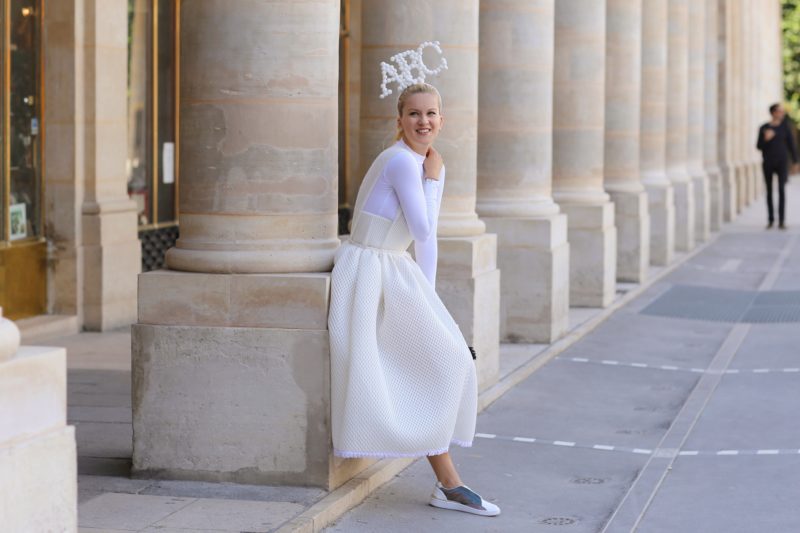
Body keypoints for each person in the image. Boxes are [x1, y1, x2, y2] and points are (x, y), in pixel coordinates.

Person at [328, 82, 500, 517]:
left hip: (391, 270)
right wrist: (436, 180)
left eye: (431, 114)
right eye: (414, 114)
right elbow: (422, 229)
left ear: (442, 120)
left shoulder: (416, 162)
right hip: (370, 270)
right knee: (445, 360)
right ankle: (448, 483)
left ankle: (448, 482)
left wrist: (429, 301)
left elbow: (428, 245)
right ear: (399, 120)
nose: (423, 122)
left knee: (450, 358)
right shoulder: (404, 163)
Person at [757, 103, 799, 229]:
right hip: (768, 162)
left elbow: (792, 145)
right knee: (769, 191)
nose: (782, 113)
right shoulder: (764, 127)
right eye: (780, 111)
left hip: (782, 162)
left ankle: (781, 221)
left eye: (782, 111)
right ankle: (770, 220)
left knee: (781, 190)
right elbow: (758, 146)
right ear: (773, 112)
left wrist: (796, 162)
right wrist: (766, 139)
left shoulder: (785, 127)